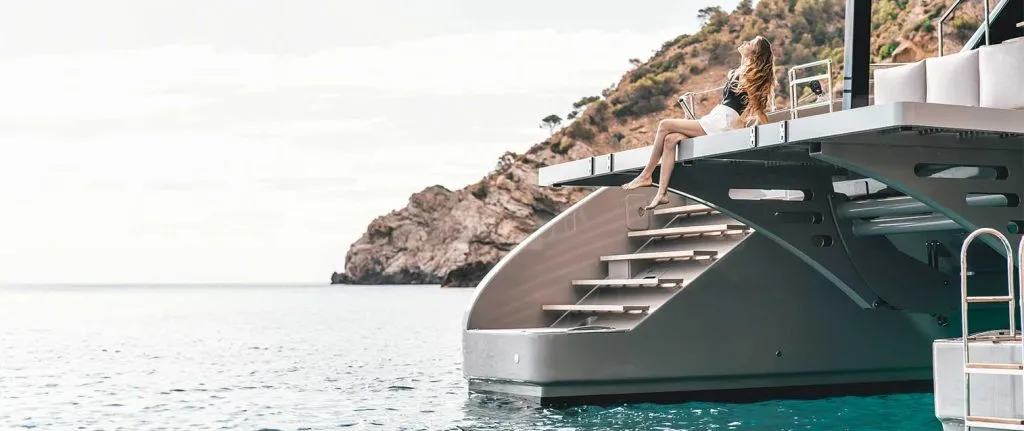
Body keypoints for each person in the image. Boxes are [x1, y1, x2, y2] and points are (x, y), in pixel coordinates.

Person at [621, 36, 778, 211]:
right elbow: (738, 74)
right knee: (670, 140)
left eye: (750, 44)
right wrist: (744, 56)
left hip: (723, 122)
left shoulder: (750, 76)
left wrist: (765, 135)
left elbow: (758, 110)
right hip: (718, 118)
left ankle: (646, 174)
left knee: (664, 125)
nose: (745, 43)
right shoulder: (743, 71)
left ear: (755, 52)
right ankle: (661, 193)